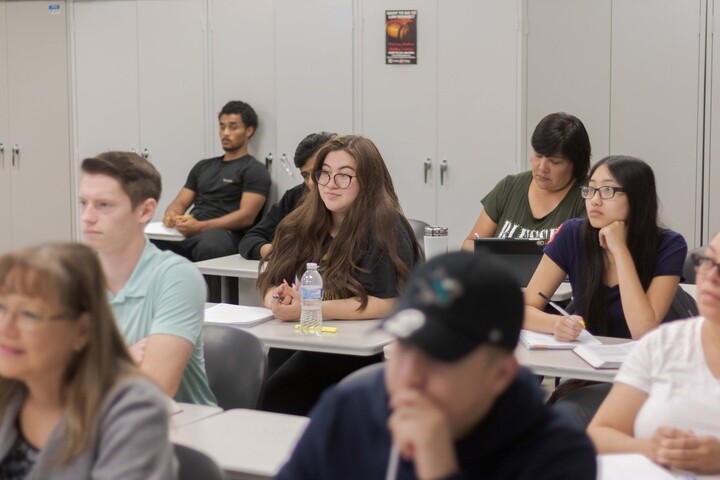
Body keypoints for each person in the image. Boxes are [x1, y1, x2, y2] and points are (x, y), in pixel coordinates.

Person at [277, 251, 597, 480]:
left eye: (437, 359)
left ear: (500, 375)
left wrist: (438, 470)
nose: (409, 377)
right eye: (403, 348)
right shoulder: (350, 410)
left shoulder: (556, 454)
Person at [257, 135, 422, 415]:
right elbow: (270, 281)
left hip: (358, 351)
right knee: (274, 393)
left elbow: (387, 302)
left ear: (368, 182)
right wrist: (276, 298)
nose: (331, 184)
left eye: (344, 176)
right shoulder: (299, 223)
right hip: (302, 339)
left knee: (284, 391)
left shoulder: (385, 227)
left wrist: (309, 309)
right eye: (324, 174)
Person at [0, 243, 176, 479]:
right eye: (1, 308)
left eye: (29, 314)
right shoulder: (10, 389)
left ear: (82, 331)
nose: (5, 327)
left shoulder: (133, 409)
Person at [79, 151, 216, 406]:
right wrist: (123, 361)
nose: (87, 216)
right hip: (94, 425)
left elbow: (155, 387)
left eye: (104, 205)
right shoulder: (75, 277)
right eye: (83, 203)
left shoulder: (176, 276)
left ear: (145, 211)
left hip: (177, 432)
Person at [588, 231, 720, 476]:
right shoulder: (662, 343)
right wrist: (652, 449)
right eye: (707, 261)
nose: (711, 277)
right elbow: (599, 435)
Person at [524, 155, 687, 341]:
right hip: (585, 357)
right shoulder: (573, 233)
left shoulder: (669, 245)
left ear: (637, 198)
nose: (594, 200)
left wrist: (620, 250)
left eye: (607, 190)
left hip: (641, 361)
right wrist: (555, 324)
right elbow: (524, 309)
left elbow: (643, 331)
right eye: (591, 189)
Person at [154, 100, 271, 301]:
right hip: (194, 230)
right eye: (222, 127)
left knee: (210, 246)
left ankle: (212, 307)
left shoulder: (254, 170)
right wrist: (172, 216)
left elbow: (246, 217)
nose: (225, 133)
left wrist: (200, 226)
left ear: (249, 131)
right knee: (149, 244)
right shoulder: (203, 167)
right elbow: (179, 202)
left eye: (233, 127)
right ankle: (160, 306)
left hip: (227, 234)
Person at [461, 112, 590, 249]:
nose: (542, 167)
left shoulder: (589, 196)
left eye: (555, 162)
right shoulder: (509, 187)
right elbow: (470, 244)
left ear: (576, 164)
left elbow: (586, 258)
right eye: (538, 155)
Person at [239, 131, 336, 260]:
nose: (311, 182)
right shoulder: (295, 196)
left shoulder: (345, 197)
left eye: (318, 172)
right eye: (305, 175)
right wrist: (274, 251)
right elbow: (250, 239)